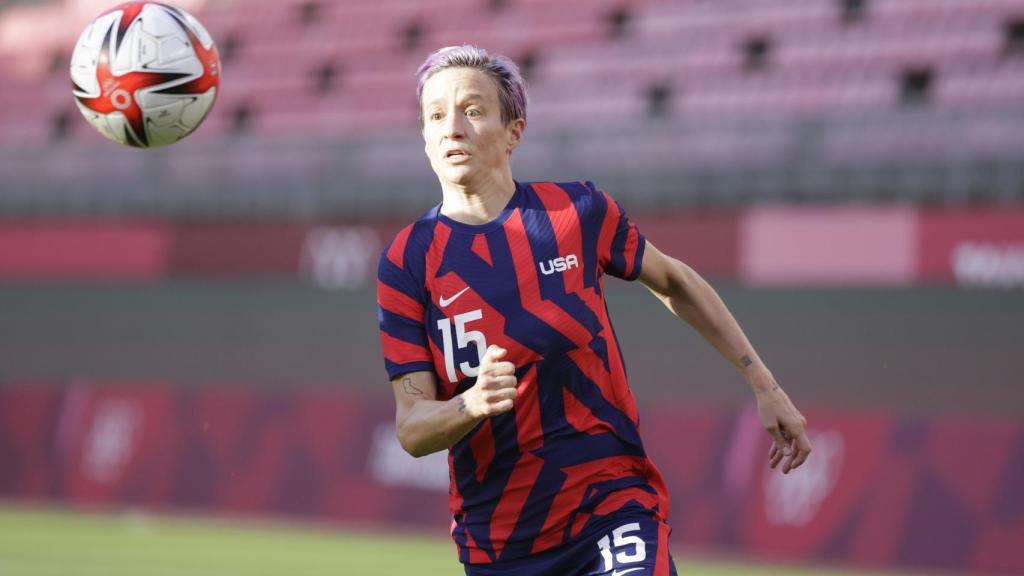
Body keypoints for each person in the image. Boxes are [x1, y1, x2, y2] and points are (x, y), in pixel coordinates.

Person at [376, 44, 811, 576]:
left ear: (514, 131)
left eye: (471, 110)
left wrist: (764, 385)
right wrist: (470, 405)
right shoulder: (406, 262)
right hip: (500, 542)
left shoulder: (575, 213)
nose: (452, 127)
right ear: (424, 138)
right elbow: (413, 428)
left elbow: (675, 280)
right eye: (436, 116)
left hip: (613, 508)